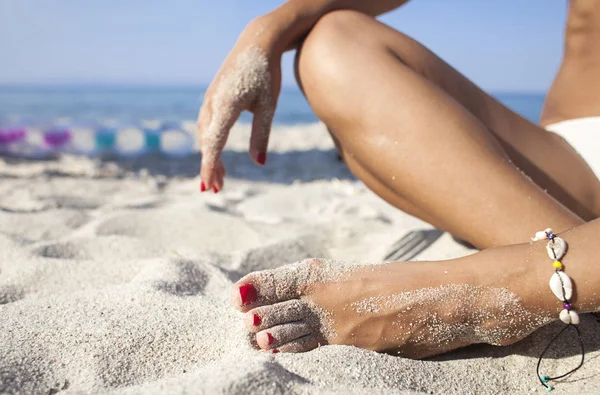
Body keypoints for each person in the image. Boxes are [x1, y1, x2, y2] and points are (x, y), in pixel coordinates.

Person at [196, 0, 600, 358]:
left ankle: (494, 289)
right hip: (570, 159)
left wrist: (480, 289)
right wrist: (268, 30)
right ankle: (573, 268)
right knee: (335, 44)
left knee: (500, 284)